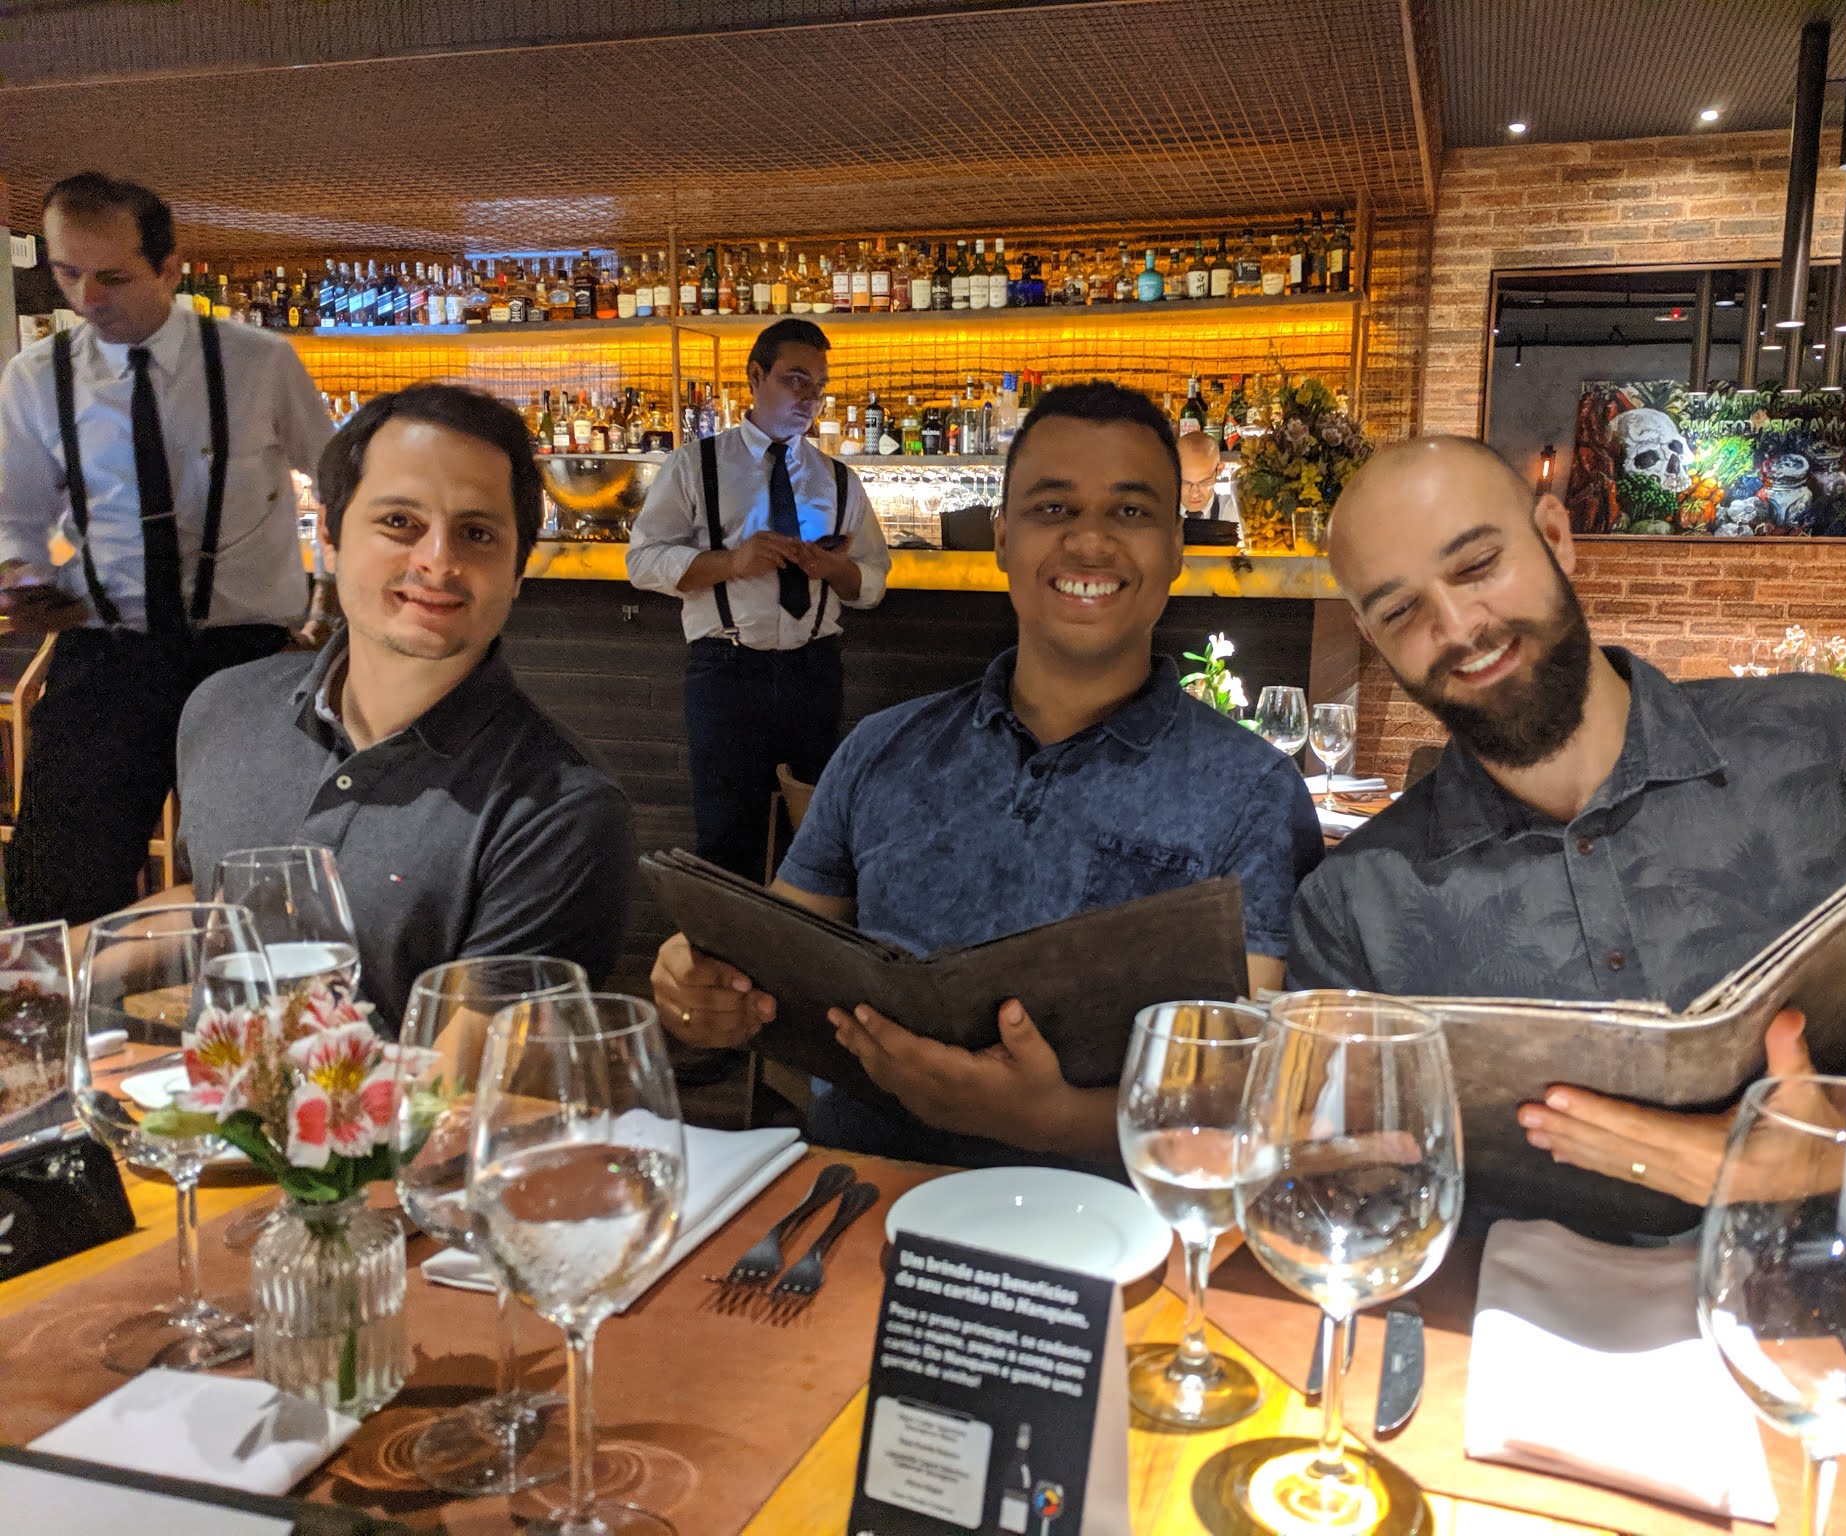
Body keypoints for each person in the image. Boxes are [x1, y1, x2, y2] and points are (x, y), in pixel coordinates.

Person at [1290, 435, 1846, 1222]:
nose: (1456, 626)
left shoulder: (1833, 748)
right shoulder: (1352, 903)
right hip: (1499, 1301)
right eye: (1400, 610)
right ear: (1372, 637)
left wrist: (1843, 1147)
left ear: (1555, 536)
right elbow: (1343, 1187)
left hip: (1845, 1286)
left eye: (1478, 565)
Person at [651, 381, 1323, 1164]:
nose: (1090, 542)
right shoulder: (881, 749)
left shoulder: (1252, 794)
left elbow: (1256, 1090)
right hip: (862, 1195)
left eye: (1131, 511)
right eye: (1053, 508)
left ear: (1177, 546)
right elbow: (772, 961)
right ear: (1002, 538)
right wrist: (704, 985)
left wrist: (1049, 1121)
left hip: (1112, 1216)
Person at [173, 384, 636, 1027]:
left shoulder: (560, 811)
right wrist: (54, 969)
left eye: (476, 533)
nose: (438, 562)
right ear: (330, 536)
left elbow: (462, 1076)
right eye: (399, 523)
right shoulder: (222, 710)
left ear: (517, 573)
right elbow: (207, 907)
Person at [0, 172, 333, 923]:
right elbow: (16, 513)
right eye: (67, 272)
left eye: (112, 276)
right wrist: (19, 572)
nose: (87, 298)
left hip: (247, 657)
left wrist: (335, 595)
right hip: (105, 655)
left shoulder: (258, 362)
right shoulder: (35, 378)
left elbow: (344, 480)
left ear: (169, 269)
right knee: (57, 885)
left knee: (265, 879)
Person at [626, 318, 891, 884]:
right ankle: (729, 942)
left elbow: (872, 583)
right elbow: (642, 562)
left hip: (813, 670)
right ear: (755, 377)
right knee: (727, 839)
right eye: (795, 379)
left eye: (818, 385)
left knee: (814, 839)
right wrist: (732, 563)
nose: (809, 397)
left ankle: (798, 942)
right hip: (726, 670)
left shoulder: (839, 479)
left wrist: (836, 570)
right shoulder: (695, 464)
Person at [1177, 429, 1237, 522]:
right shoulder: (1157, 514)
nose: (1194, 494)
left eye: (1204, 482)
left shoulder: (1235, 514)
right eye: (1185, 483)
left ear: (1219, 470)